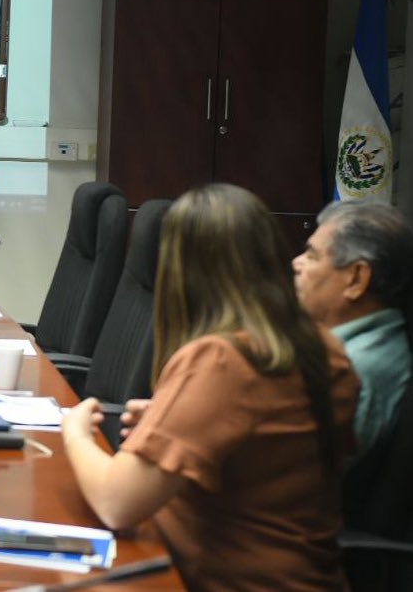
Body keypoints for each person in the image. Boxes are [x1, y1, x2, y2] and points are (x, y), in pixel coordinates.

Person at [61, 183, 358, 591]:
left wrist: (75, 432)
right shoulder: (325, 349)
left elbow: (117, 503)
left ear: (180, 271)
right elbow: (262, 449)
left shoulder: (222, 360)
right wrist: (174, 421)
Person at [293, 200, 413, 458]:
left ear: (357, 279)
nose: (296, 263)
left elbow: (307, 473)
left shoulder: (355, 371)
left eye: (312, 255)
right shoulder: (378, 347)